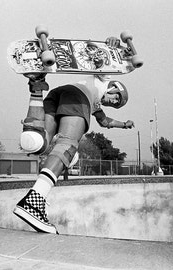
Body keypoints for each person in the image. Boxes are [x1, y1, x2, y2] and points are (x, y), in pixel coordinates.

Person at [13, 37, 135, 233]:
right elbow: (104, 58)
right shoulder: (103, 78)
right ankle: (34, 201)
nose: (112, 102)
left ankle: (37, 84)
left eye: (116, 105)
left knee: (37, 142)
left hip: (58, 94)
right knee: (68, 146)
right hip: (78, 99)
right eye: (115, 98)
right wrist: (113, 45)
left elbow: (105, 122)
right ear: (114, 86)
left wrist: (124, 125)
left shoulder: (96, 104)